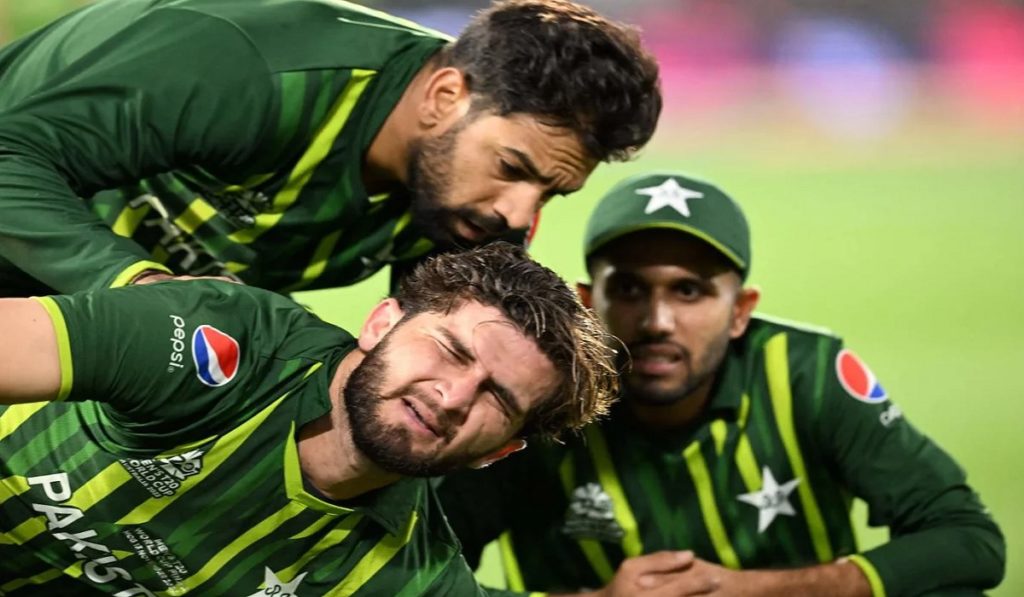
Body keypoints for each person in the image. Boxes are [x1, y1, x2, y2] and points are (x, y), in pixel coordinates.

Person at [438, 173, 1006, 597]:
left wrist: (758, 591)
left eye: (689, 291)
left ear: (740, 311)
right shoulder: (535, 397)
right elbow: (420, 577)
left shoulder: (805, 376)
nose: (658, 321)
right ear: (588, 304)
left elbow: (969, 540)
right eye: (630, 289)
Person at [0, 242, 617, 595]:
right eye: (449, 350)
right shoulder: (222, 339)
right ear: (381, 324)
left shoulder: (408, 576)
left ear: (498, 453)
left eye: (497, 399)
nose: (453, 395)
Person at [0, 0, 660, 297]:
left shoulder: (472, 208)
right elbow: (9, 158)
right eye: (512, 168)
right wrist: (144, 288)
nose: (518, 214)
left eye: (550, 193)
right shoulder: (252, 68)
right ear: (445, 96)